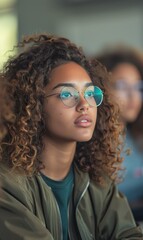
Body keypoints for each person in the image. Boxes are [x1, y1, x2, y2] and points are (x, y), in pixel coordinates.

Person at [0, 34, 142, 240]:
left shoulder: (97, 180)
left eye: (90, 93)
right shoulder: (7, 184)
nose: (84, 104)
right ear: (33, 105)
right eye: (67, 94)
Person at [95, 46, 143, 222]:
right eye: (122, 86)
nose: (133, 96)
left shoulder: (136, 139)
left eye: (138, 87)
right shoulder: (89, 146)